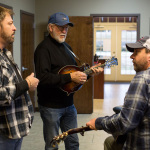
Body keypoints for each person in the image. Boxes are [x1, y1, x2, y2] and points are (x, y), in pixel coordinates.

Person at [34, 12, 103, 150]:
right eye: (60, 27)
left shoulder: (67, 48)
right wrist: (71, 77)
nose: (64, 31)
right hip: (50, 107)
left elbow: (75, 76)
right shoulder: (43, 49)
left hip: (69, 105)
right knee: (52, 144)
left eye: (66, 27)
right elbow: (43, 78)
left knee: (73, 142)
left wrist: (88, 75)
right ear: (50, 28)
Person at [86, 36, 150, 150]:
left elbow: (125, 123)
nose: (131, 56)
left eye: (137, 52)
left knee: (109, 143)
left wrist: (98, 122)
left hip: (141, 144)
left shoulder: (142, 79)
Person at [0, 6, 39, 150]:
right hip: (3, 135)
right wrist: (26, 84)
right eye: (10, 24)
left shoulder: (6, 53)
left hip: (15, 130)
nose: (15, 28)